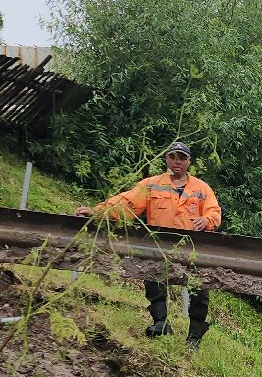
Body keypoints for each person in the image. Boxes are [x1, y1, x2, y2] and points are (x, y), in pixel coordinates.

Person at [75, 141, 222, 343]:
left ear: (189, 161)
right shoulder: (152, 184)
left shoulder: (202, 189)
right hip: (159, 245)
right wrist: (98, 212)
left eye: (182, 158)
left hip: (191, 248)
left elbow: (214, 212)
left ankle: (194, 338)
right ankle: (160, 322)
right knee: (153, 279)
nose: (177, 161)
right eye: (173, 157)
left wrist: (206, 220)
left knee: (199, 289)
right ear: (167, 159)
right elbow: (126, 203)